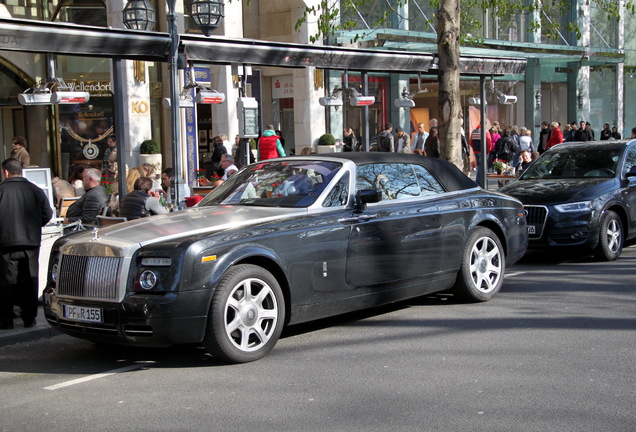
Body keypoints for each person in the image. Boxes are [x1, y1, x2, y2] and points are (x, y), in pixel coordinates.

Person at [0, 158, 53, 330]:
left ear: (6, 172)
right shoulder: (35, 190)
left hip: (6, 242)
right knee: (29, 279)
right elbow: (47, 213)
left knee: (6, 281)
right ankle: (29, 318)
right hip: (30, 241)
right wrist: (34, 226)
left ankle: (6, 320)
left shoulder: (1, 190)